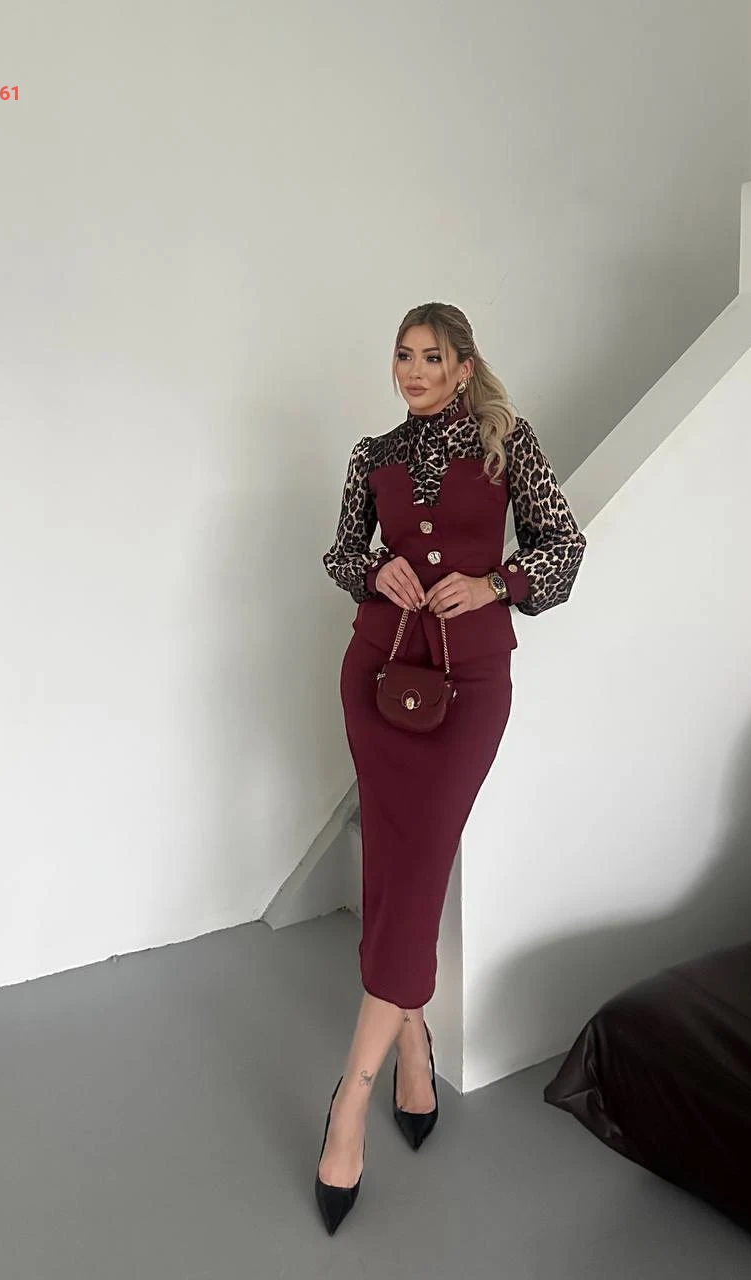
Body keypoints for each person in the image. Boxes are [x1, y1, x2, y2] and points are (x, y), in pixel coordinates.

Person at [315, 301, 586, 1234]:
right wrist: (374, 570)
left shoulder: (509, 445)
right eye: (403, 354)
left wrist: (494, 583)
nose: (414, 370)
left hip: (468, 685)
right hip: (378, 673)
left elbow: (564, 550)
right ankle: (412, 1047)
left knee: (420, 861)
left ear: (464, 366)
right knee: (394, 867)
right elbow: (339, 553)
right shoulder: (373, 455)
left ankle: (348, 1100)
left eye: (432, 356)